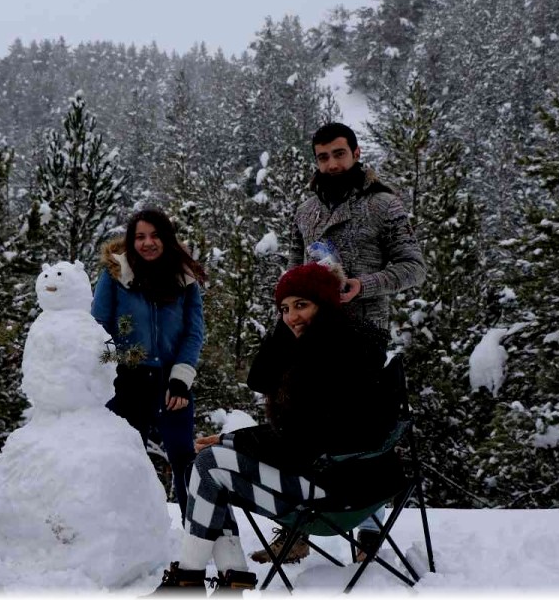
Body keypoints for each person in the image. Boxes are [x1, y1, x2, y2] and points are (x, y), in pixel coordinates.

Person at [155, 263, 402, 593]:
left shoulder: (334, 356)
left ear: (326, 304)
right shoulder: (343, 342)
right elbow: (261, 380)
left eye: (302, 305)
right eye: (284, 309)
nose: (290, 316)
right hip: (355, 483)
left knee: (209, 466)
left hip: (333, 496)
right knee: (210, 466)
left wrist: (237, 441)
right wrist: (291, 326)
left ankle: (194, 583)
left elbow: (300, 442)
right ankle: (225, 579)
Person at [259, 121, 426, 564]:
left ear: (355, 153)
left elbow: (414, 267)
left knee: (359, 433)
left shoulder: (383, 205)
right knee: (297, 427)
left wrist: (363, 284)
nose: (331, 163)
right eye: (323, 156)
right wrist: (290, 308)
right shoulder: (306, 208)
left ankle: (368, 533)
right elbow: (292, 269)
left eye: (338, 154)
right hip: (311, 337)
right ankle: (295, 525)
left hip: (363, 336)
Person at [92, 209, 206, 520]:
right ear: (131, 241)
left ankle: (197, 532)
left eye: (155, 236)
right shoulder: (115, 274)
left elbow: (194, 332)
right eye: (140, 237)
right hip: (128, 380)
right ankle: (123, 529)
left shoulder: (184, 277)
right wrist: (109, 371)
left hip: (172, 382)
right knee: (125, 458)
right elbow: (99, 325)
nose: (148, 243)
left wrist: (181, 378)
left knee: (184, 457)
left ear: (167, 239)